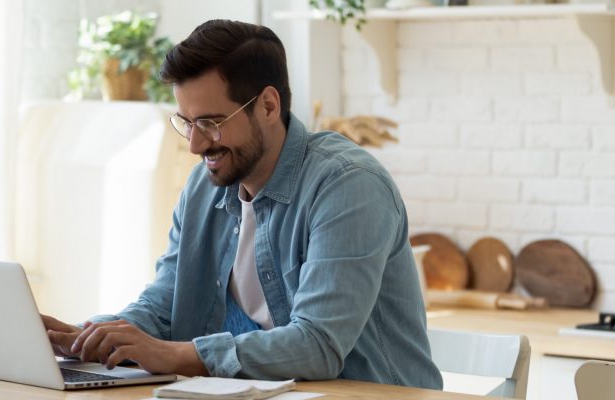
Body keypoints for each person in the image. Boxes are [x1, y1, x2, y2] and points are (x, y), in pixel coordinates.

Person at [41, 19, 442, 389]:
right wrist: (90, 336)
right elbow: (166, 304)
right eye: (186, 122)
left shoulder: (348, 186)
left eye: (210, 123)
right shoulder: (204, 186)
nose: (195, 145)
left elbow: (318, 344)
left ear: (268, 106)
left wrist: (176, 355)